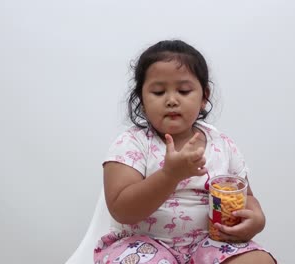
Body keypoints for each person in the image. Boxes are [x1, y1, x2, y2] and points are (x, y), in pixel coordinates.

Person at [94, 40, 276, 264]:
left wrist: (257, 219)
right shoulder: (131, 144)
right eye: (159, 92)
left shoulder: (223, 145)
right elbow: (122, 210)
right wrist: (169, 176)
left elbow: (246, 197)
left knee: (258, 260)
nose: (172, 100)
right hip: (143, 243)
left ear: (204, 97)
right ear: (141, 100)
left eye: (184, 90)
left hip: (211, 241)